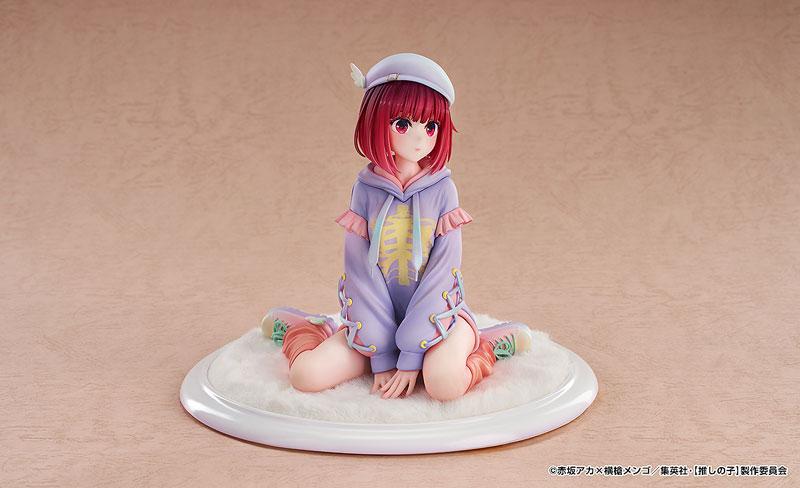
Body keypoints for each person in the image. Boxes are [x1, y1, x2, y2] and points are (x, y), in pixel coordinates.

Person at [262, 53, 532, 401]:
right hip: (374, 325)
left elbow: (442, 273)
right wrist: (381, 355)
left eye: (430, 127)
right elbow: (359, 270)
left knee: (444, 384)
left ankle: (485, 345)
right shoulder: (365, 190)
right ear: (375, 121)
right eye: (403, 124)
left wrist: (412, 354)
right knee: (306, 376)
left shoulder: (443, 190)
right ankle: (307, 329)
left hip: (441, 319)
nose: (420, 139)